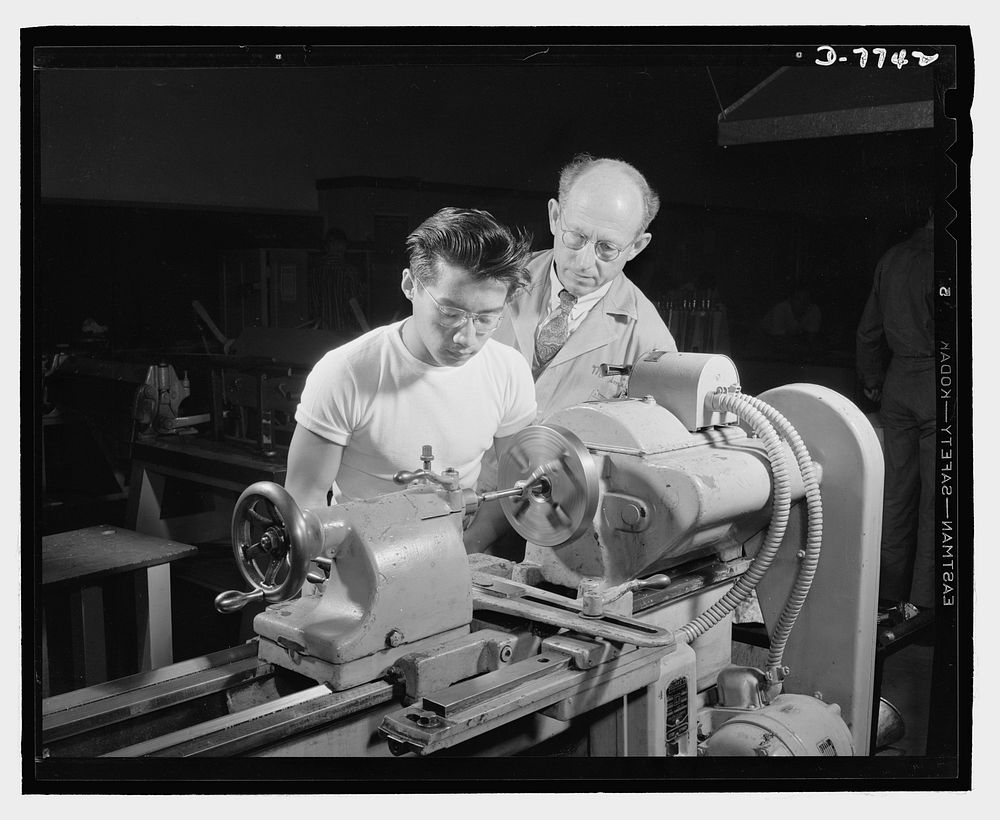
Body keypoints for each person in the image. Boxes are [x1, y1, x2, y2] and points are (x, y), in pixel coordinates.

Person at [284, 208, 537, 527]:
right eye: (449, 312)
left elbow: (516, 486)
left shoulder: (509, 370)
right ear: (410, 285)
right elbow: (303, 500)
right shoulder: (346, 371)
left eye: (486, 318)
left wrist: (464, 554)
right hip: (356, 557)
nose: (465, 337)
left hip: (457, 555)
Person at [492, 154, 677, 421]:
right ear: (555, 217)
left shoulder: (651, 343)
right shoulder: (493, 281)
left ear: (637, 246)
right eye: (576, 237)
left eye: (607, 248)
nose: (584, 263)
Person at [856, 215, 935, 616]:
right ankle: (923, 610)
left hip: (898, 381)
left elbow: (869, 330)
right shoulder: (948, 259)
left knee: (895, 499)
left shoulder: (892, 258)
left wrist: (872, 377)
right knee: (935, 505)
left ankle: (885, 602)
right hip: (938, 382)